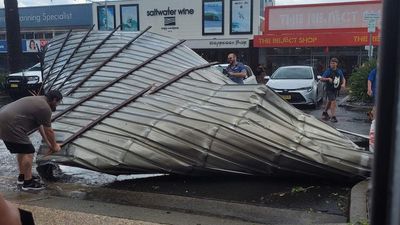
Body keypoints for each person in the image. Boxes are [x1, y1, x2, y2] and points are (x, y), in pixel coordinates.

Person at [0, 90, 63, 191]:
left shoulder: (38, 101)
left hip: (3, 122)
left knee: (22, 150)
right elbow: (49, 131)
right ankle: (28, 183)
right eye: (59, 102)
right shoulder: (45, 108)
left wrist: (48, 143)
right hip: (10, 125)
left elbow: (40, 126)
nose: (58, 105)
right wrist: (55, 146)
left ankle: (22, 177)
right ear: (54, 100)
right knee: (29, 152)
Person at [320, 57, 346, 123]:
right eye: (331, 63)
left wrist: (343, 84)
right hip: (329, 89)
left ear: (336, 64)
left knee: (330, 101)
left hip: (335, 89)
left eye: (333, 63)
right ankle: (333, 117)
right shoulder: (328, 71)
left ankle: (325, 112)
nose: (332, 64)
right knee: (333, 101)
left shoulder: (339, 71)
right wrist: (328, 79)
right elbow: (321, 78)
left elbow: (343, 78)